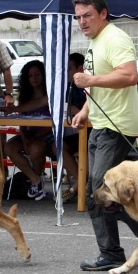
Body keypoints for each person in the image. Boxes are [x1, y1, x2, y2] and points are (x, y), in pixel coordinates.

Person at [71, 0, 138, 271]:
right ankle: (131, 244)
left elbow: (130, 75)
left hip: (117, 125)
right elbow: (98, 86)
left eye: (87, 16)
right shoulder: (95, 42)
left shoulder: (115, 38)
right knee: (93, 192)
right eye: (78, 17)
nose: (82, 22)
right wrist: (85, 112)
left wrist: (90, 78)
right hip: (101, 124)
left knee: (102, 191)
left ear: (103, 14)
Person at [0, 60, 54, 201]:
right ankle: (35, 180)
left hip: (47, 134)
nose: (34, 78)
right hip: (30, 134)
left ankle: (36, 181)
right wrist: (24, 139)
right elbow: (22, 121)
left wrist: (13, 109)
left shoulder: (51, 93)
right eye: (30, 75)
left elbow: (52, 123)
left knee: (36, 148)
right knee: (9, 147)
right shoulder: (25, 95)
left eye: (37, 74)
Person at [54, 52, 89, 203]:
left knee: (88, 150)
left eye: (68, 69)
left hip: (95, 131)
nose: (66, 73)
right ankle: (82, 183)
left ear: (80, 69)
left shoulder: (88, 85)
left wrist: (81, 111)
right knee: (58, 146)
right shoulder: (69, 86)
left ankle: (77, 187)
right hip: (80, 131)